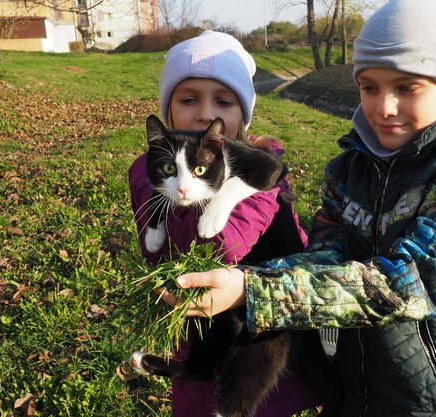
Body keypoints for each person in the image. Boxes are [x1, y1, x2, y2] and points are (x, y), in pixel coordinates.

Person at [171, 2, 436, 416]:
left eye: (406, 87)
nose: (383, 107)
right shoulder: (348, 168)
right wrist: (241, 278)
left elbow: (416, 283)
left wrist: (253, 292)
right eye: (369, 86)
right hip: (356, 386)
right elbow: (325, 256)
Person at [127, 30, 318, 417]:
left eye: (223, 101)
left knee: (248, 377)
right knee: (200, 378)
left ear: (243, 115)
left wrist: (211, 200)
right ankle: (188, 369)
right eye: (189, 98)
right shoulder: (152, 172)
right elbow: (154, 250)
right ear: (168, 112)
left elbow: (224, 246)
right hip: (196, 327)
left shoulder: (257, 167)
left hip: (267, 316)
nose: (204, 113)